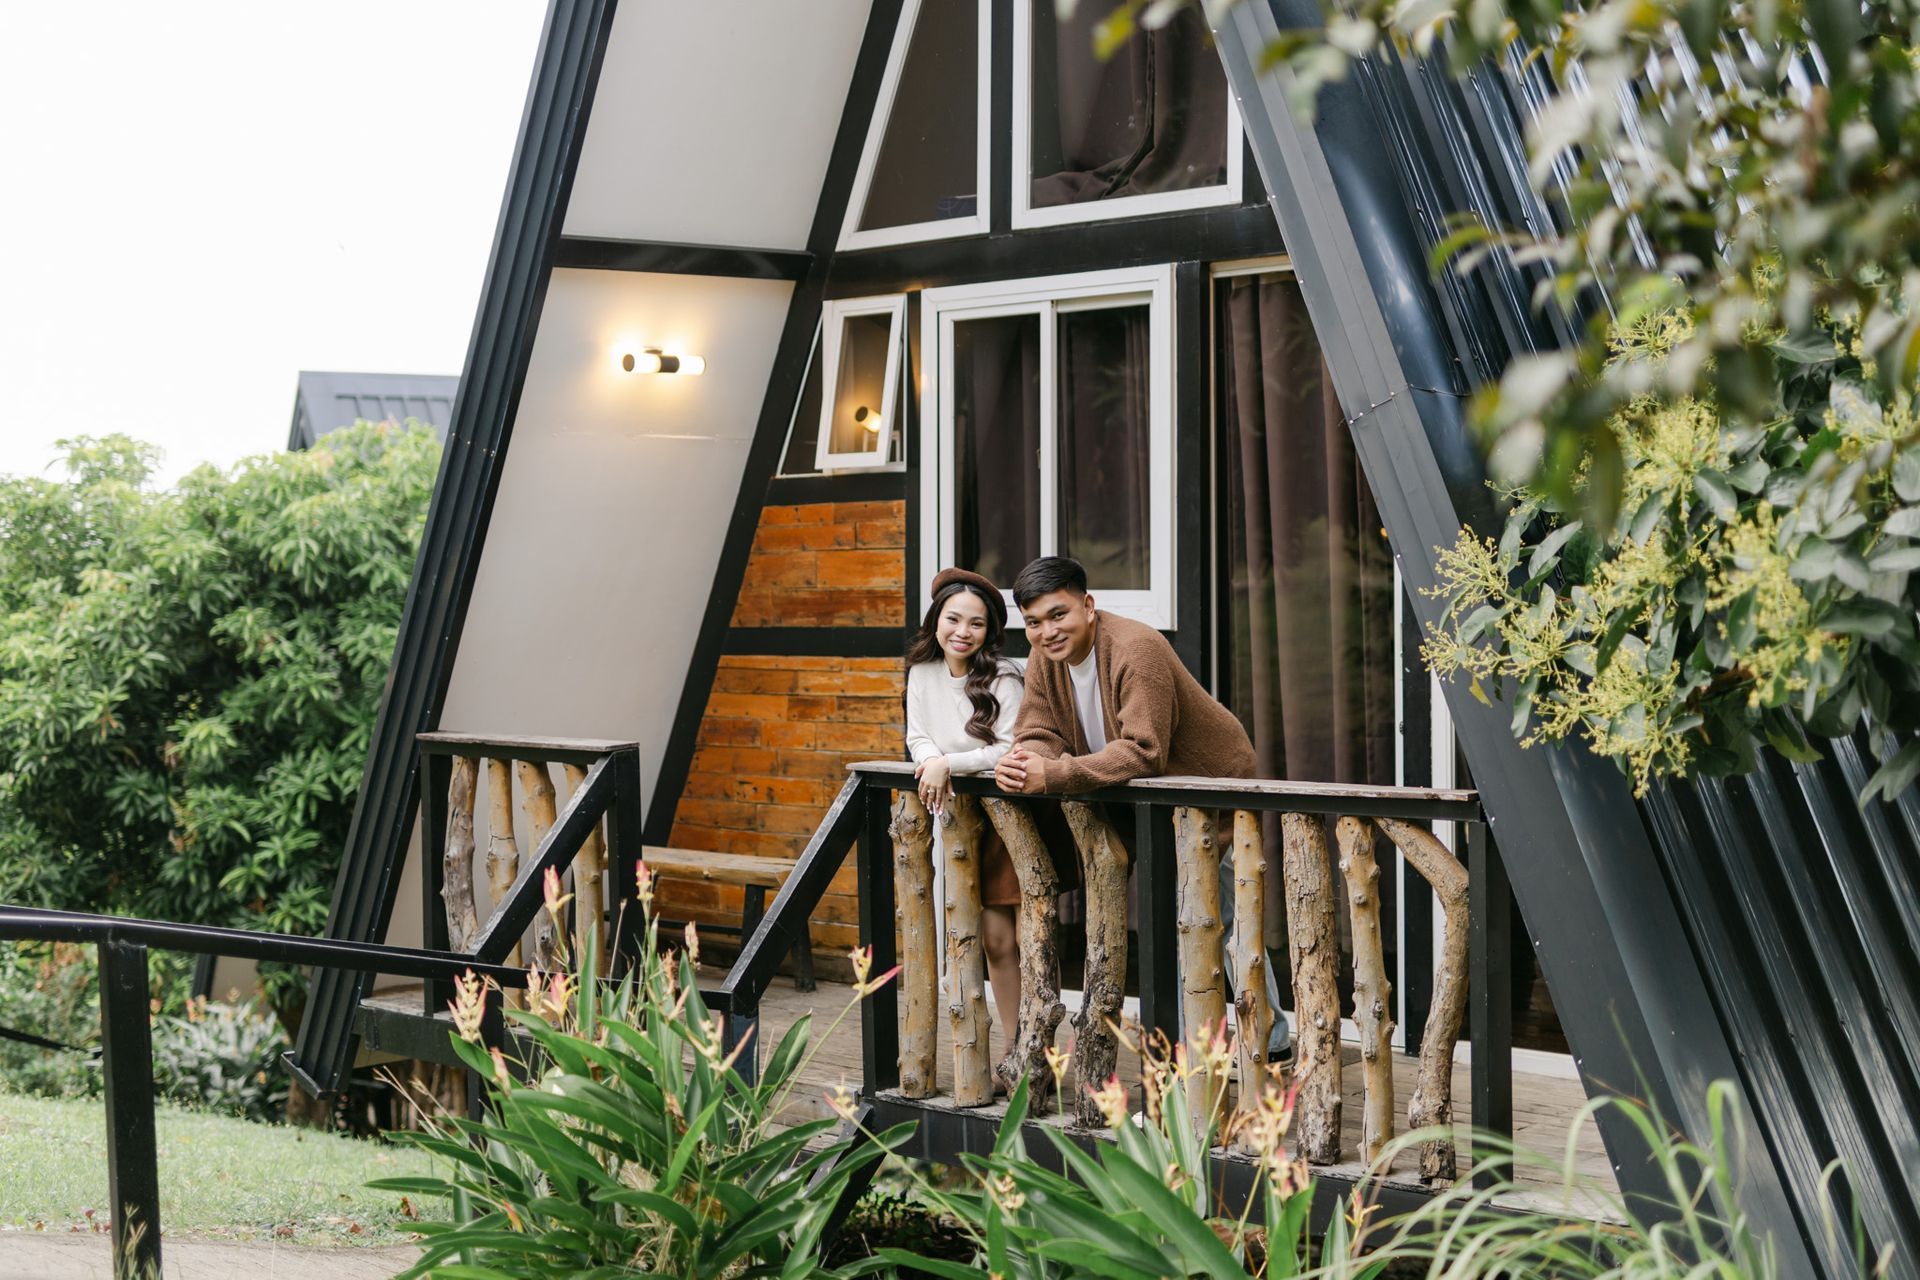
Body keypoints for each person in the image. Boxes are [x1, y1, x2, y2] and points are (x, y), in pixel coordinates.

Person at [993, 555, 1290, 1060]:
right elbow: (1039, 729)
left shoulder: (1136, 648)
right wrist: (1027, 762)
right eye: (1034, 622)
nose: (1047, 632)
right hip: (1146, 806)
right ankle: (1213, 1048)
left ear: (1088, 606)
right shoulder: (1046, 655)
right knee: (1193, 925)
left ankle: (1257, 1046)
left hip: (1210, 795)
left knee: (1215, 924)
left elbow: (1144, 749)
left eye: (1058, 614)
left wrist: (1056, 774)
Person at [904, 567, 1025, 1057]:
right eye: (953, 619)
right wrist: (930, 760)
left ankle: (1026, 1047)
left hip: (1009, 821)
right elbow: (917, 736)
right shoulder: (921, 672)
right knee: (978, 939)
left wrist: (945, 764)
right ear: (936, 620)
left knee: (1015, 938)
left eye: (976, 623)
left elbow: (1008, 748)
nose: (962, 632)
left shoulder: (1004, 677)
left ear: (989, 631)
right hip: (957, 820)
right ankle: (1001, 1049)